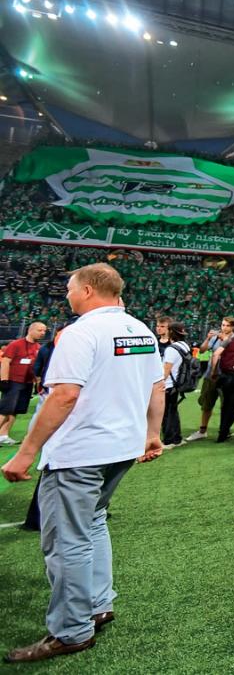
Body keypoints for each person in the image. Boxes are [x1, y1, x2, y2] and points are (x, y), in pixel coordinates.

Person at [0, 264, 164, 663]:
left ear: (88, 290)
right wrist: (152, 433)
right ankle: (98, 604)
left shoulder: (82, 332)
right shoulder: (140, 329)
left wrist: (27, 451)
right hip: (121, 448)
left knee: (67, 541)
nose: (68, 295)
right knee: (93, 523)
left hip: (81, 451)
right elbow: (156, 385)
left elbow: (64, 395)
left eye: (71, 289)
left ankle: (72, 630)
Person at [185, 317, 234, 443]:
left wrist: (225, 340)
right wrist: (208, 338)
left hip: (226, 377)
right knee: (206, 404)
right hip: (210, 376)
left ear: (233, 327)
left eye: (227, 325)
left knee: (227, 405)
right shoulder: (215, 338)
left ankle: (225, 430)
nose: (224, 327)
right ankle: (202, 431)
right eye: (223, 325)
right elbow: (202, 350)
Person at [0, 321, 47, 445]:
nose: (43, 333)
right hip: (13, 381)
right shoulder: (16, 344)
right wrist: (4, 380)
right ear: (30, 330)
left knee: (16, 410)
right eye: (40, 330)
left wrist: (37, 382)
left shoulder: (38, 347)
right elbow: (5, 361)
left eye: (44, 331)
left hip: (27, 382)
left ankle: (3, 435)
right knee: (5, 409)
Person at [155, 319, 191, 449]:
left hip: (169, 385)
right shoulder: (184, 345)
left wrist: (158, 384)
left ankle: (169, 440)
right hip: (177, 383)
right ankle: (176, 438)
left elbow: (165, 371)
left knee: (166, 415)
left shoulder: (171, 349)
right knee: (173, 412)